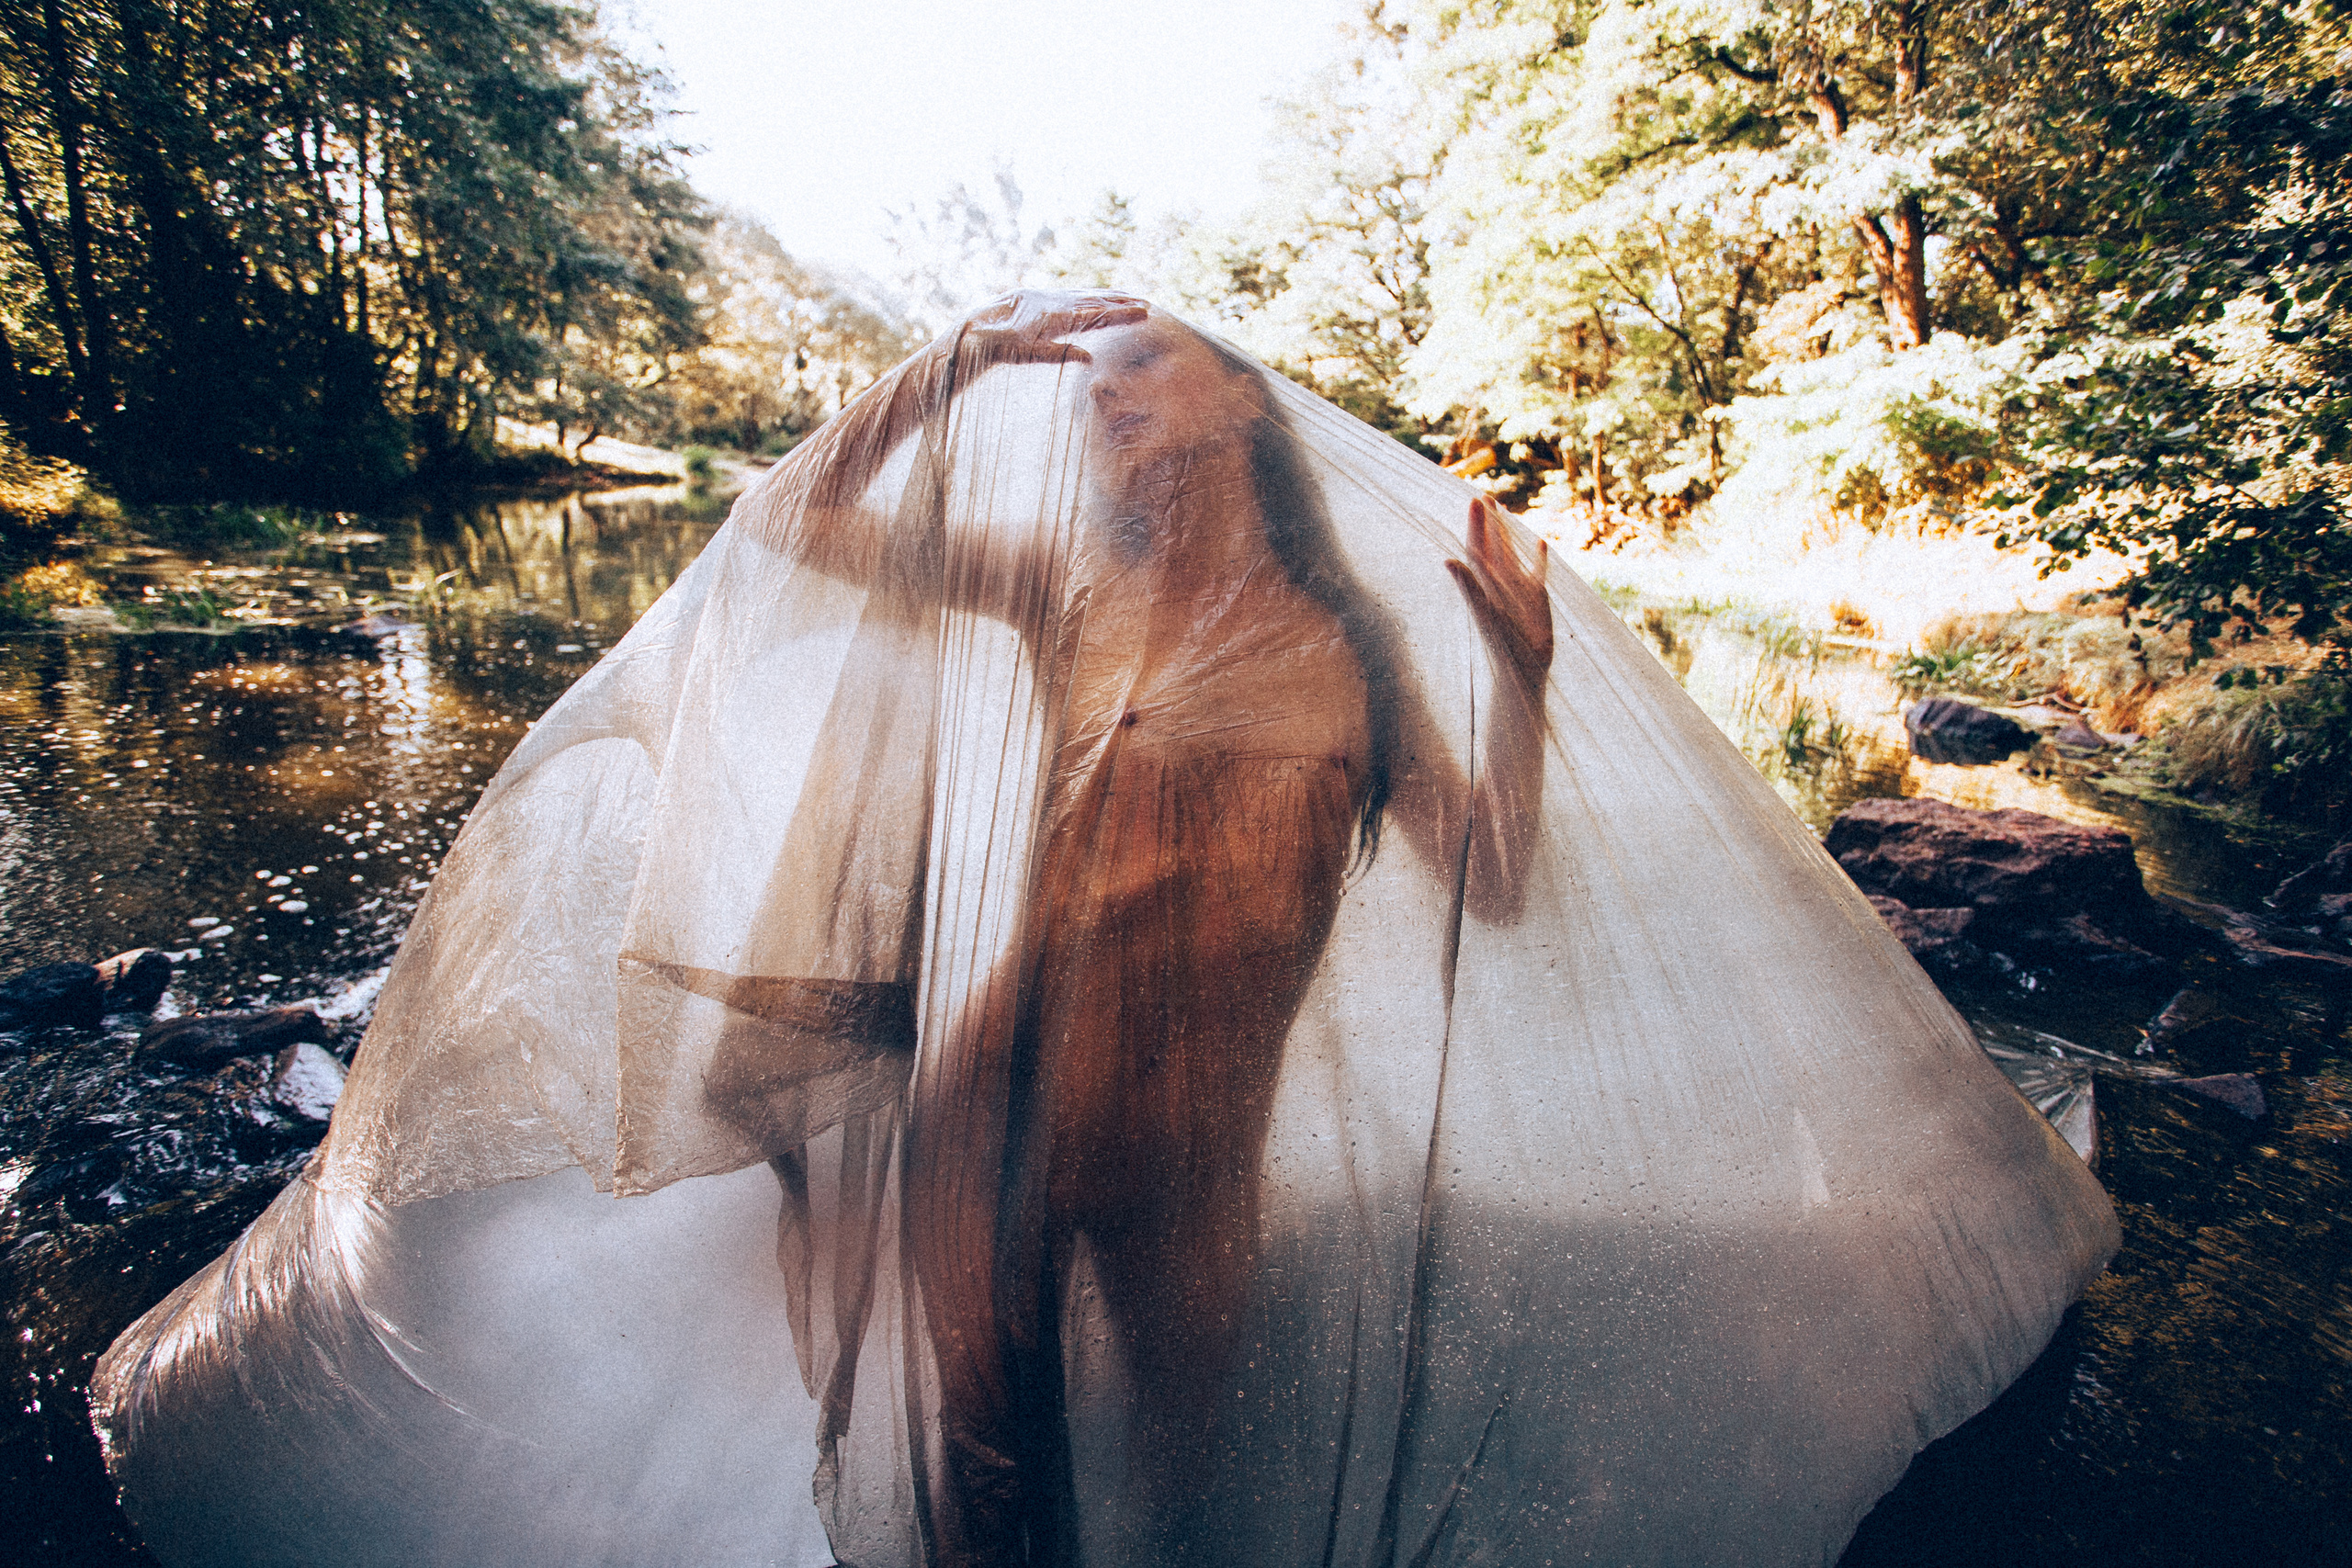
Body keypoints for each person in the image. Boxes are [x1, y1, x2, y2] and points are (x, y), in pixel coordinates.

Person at [750, 291, 1557, 1564]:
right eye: (1085, 379)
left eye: (1139, 359)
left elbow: (1495, 879)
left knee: (1190, 1507)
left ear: (1242, 397)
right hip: (996, 1104)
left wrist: (1523, 684)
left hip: (1196, 1167)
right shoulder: (1068, 587)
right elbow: (790, 520)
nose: (1098, 389)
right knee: (986, 1485)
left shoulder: (1351, 647)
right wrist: (954, 366)